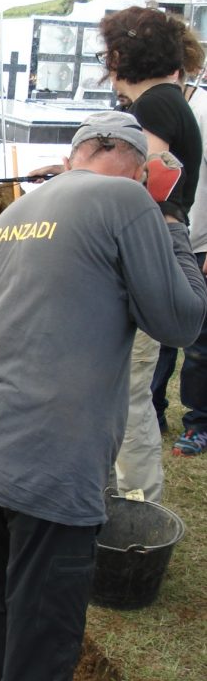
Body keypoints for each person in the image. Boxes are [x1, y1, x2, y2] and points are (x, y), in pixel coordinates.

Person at [0, 111, 207, 681]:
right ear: (137, 168)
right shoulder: (126, 200)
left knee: (1, 598)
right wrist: (171, 222)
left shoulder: (13, 214)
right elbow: (182, 320)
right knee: (43, 642)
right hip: (50, 459)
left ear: (75, 154)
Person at [99, 7, 204, 493]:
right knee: (128, 388)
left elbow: (148, 182)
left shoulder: (157, 104)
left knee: (131, 393)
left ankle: (137, 507)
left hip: (148, 253)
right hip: (154, 250)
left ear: (120, 55)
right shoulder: (167, 99)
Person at [150, 25, 207, 458]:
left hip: (198, 234)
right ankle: (151, 408)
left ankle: (197, 422)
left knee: (200, 342)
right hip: (171, 232)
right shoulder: (155, 109)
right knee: (159, 335)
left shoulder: (197, 109)